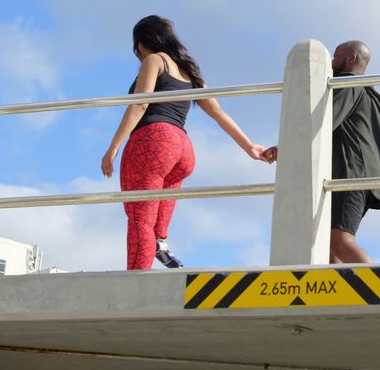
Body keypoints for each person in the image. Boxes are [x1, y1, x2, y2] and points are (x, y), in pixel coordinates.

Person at [102, 15, 267, 270]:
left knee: (140, 219)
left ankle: (134, 282)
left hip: (154, 142)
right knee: (156, 220)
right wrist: (250, 147)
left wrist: (113, 147)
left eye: (136, 47)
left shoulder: (154, 60)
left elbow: (140, 103)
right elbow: (217, 112)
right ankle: (161, 245)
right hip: (182, 150)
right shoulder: (189, 71)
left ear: (142, 41)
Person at [262, 40, 380, 263]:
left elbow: (323, 121)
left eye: (335, 56)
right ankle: (337, 297)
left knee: (339, 240)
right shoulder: (364, 92)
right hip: (358, 173)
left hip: (351, 172)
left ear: (350, 58)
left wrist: (286, 147)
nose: (331, 62)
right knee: (327, 246)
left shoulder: (347, 84)